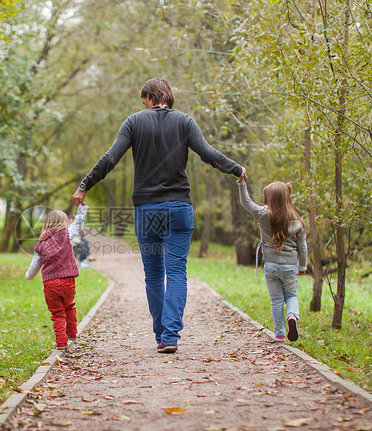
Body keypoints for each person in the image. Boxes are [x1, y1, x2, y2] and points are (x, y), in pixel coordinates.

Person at [72, 78, 245, 354]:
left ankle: (161, 336)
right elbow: (208, 154)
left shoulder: (133, 122)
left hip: (147, 210)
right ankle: (171, 336)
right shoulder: (185, 122)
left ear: (150, 96)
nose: (143, 105)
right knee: (176, 272)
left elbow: (110, 158)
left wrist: (85, 185)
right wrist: (235, 168)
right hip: (178, 208)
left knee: (153, 275)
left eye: (144, 100)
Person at [237, 174, 307, 342]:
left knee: (276, 299)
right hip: (290, 266)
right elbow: (302, 246)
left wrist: (242, 184)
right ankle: (292, 316)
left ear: (269, 198)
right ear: (286, 198)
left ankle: (280, 333)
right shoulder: (297, 221)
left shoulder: (263, 214)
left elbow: (246, 202)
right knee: (291, 295)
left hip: (271, 266)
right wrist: (302, 266)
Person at [25, 203, 89, 350]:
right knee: (69, 306)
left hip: (50, 284)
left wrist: (29, 276)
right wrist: (82, 208)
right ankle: (72, 334)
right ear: (64, 223)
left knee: (57, 313)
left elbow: (35, 264)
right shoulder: (68, 234)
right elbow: (78, 223)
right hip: (68, 281)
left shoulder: (40, 244)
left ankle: (61, 342)